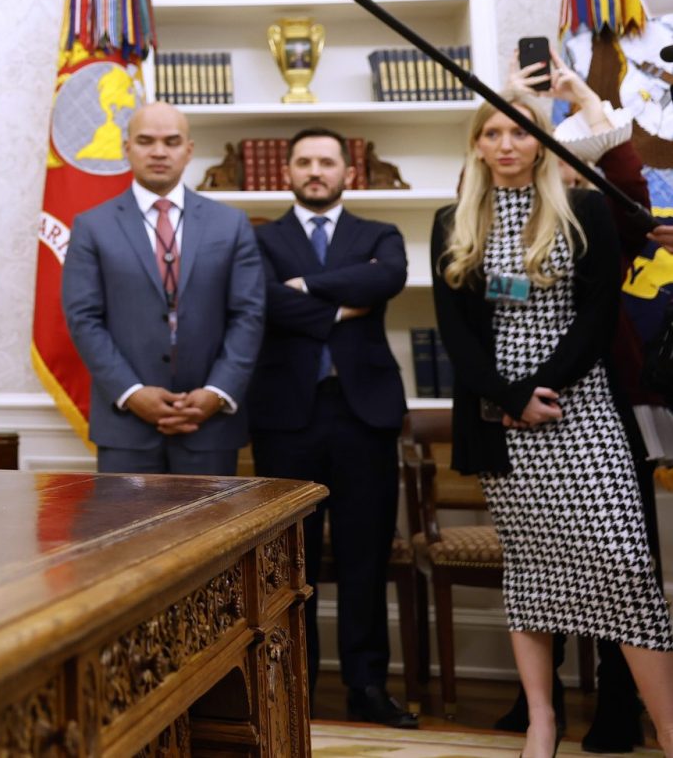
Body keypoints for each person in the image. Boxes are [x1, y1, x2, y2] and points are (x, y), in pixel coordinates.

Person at [431, 95, 673, 758]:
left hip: (581, 407)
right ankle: (541, 722)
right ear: (477, 145)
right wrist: (508, 396)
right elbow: (455, 330)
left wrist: (545, 389)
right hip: (500, 417)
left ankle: (667, 726)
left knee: (625, 563)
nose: (506, 143)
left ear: (542, 142)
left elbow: (597, 317)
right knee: (531, 570)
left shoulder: (582, 208)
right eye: (492, 132)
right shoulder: (453, 219)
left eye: (520, 130)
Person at [249, 127, 415, 728]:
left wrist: (308, 288)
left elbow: (387, 278)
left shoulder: (380, 234)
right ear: (286, 172)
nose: (315, 170)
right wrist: (345, 302)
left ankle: (366, 686)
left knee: (363, 555)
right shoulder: (260, 240)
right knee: (288, 561)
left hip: (364, 414)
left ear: (348, 172)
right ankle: (293, 684)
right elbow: (266, 302)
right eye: (304, 161)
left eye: (326, 161)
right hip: (285, 417)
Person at [62, 101, 265, 475]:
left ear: (189, 150)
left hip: (210, 424)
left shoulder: (231, 224)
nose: (158, 152)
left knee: (213, 518)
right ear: (127, 148)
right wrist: (132, 393)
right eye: (145, 141)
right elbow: (83, 319)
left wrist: (216, 393)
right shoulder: (92, 226)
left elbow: (248, 315)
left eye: (171, 142)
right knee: (126, 518)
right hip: (125, 424)